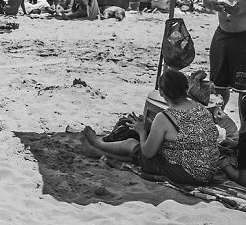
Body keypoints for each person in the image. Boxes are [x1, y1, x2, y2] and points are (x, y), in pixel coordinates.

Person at [81, 69, 222, 186]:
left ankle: (98, 144)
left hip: (189, 173)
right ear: (186, 89)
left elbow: (147, 153)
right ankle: (98, 151)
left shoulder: (164, 117)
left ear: (161, 92)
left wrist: (142, 131)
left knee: (132, 145)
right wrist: (149, 126)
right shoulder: (200, 108)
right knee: (144, 149)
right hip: (208, 169)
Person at [203, 0, 246, 183]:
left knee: (244, 91)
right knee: (218, 86)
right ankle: (220, 129)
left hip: (244, 38)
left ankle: (242, 133)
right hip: (223, 35)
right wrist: (216, 3)